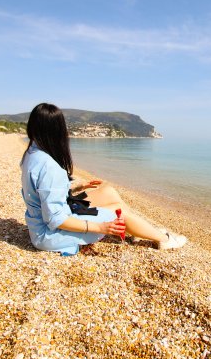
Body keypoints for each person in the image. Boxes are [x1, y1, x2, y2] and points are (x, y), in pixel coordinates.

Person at [20, 103, 187, 255]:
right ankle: (164, 239)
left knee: (108, 192)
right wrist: (99, 227)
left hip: (44, 222)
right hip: (50, 235)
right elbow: (56, 219)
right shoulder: (49, 167)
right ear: (57, 131)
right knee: (119, 213)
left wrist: (78, 186)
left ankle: (139, 230)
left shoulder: (32, 153)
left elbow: (44, 190)